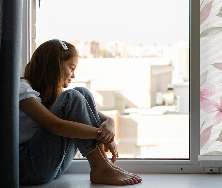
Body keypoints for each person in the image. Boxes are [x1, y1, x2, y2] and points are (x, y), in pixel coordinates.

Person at [19, 39, 142, 185]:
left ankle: (104, 166)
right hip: (28, 169)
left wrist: (110, 122)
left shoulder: (49, 93)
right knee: (72, 96)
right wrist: (102, 136)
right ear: (55, 66)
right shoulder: (23, 89)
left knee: (81, 92)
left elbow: (93, 116)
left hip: (52, 167)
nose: (73, 75)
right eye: (71, 68)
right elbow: (56, 126)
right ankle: (101, 169)